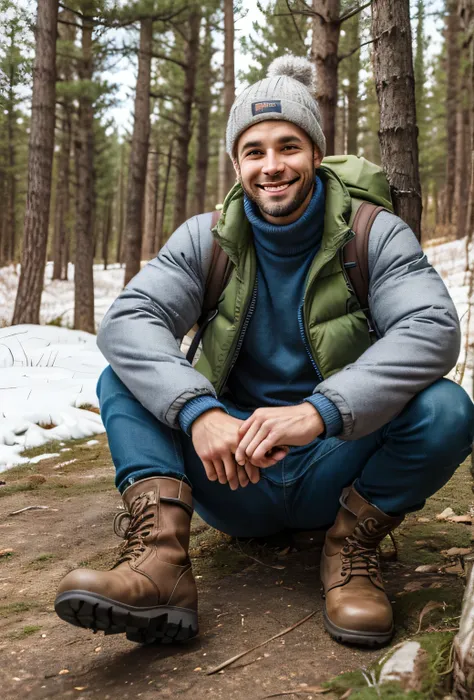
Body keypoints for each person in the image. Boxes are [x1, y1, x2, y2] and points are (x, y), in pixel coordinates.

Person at [55, 56, 474, 647]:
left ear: (316, 154)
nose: (272, 166)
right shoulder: (207, 238)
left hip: (337, 470)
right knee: (122, 377)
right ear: (236, 164)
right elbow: (129, 321)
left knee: (445, 408)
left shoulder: (372, 232)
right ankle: (160, 562)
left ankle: (348, 554)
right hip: (231, 476)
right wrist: (201, 413)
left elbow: (430, 325)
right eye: (254, 151)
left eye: (289, 146)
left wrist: (320, 412)